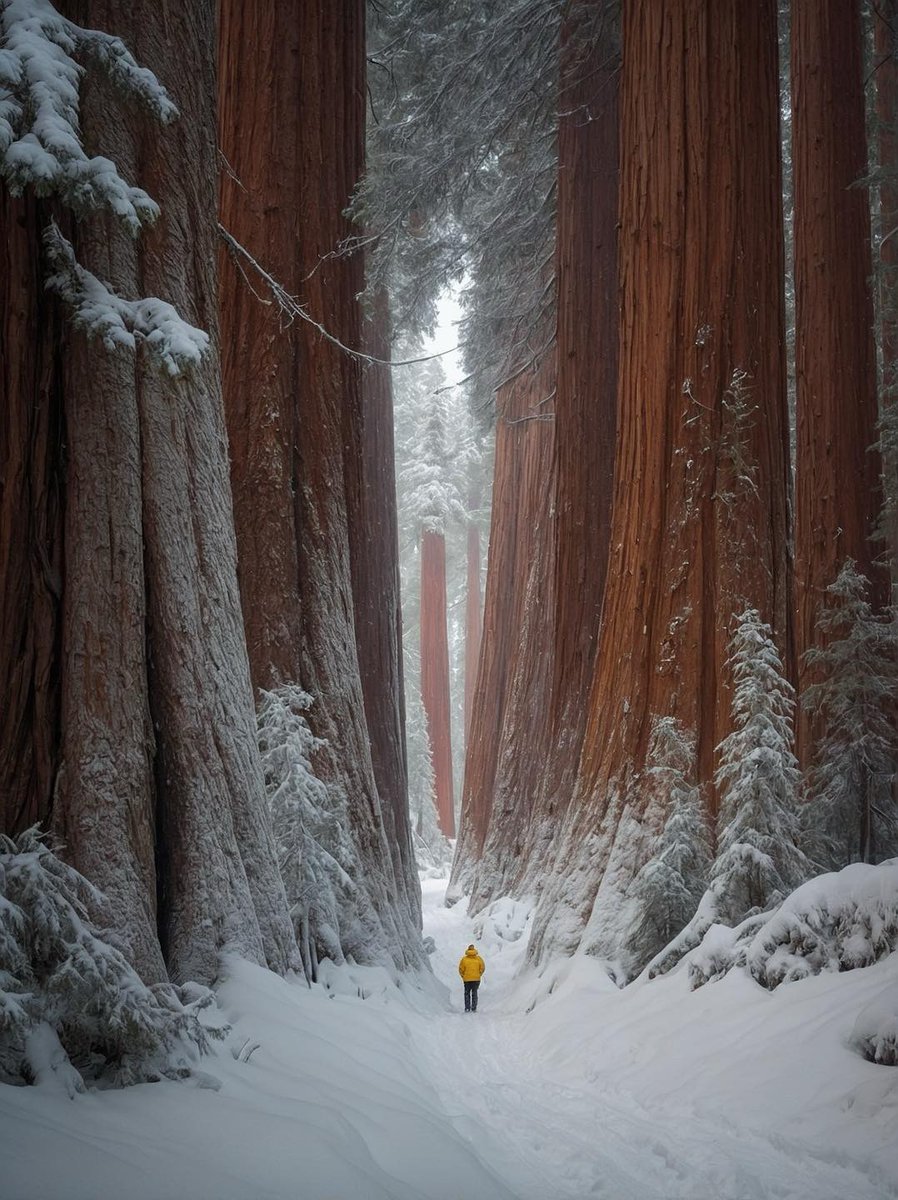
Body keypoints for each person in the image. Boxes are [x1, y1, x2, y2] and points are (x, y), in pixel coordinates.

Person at [458, 944, 485, 1012]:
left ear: (468, 950)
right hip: (476, 979)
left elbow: (461, 969)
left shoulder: (464, 959)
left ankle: (467, 1008)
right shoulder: (479, 959)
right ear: (474, 950)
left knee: (467, 993)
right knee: (474, 993)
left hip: (467, 979)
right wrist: (479, 974)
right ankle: (474, 1008)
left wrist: (463, 976)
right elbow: (482, 967)